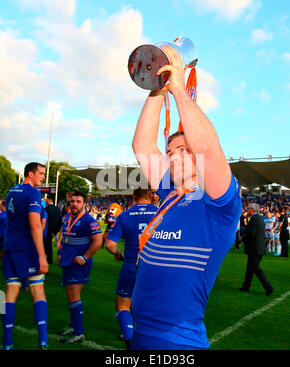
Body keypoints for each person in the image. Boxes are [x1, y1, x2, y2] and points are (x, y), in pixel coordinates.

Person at [130, 45, 242, 350]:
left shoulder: (216, 206)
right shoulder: (171, 194)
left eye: (183, 151)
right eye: (170, 152)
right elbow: (142, 145)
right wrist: (157, 87)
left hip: (178, 342)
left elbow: (207, 148)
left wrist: (178, 89)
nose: (174, 157)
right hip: (141, 335)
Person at [1, 162, 49, 350]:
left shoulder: (12, 190)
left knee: (10, 292)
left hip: (10, 247)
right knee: (38, 290)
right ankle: (43, 341)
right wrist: (42, 255)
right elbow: (35, 225)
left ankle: (7, 342)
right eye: (41, 174)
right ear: (30, 174)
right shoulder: (33, 193)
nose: (43, 177)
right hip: (26, 248)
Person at [105, 188, 158, 349]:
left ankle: (129, 339)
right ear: (150, 196)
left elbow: (109, 244)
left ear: (133, 198)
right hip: (155, 267)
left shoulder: (125, 215)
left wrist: (118, 254)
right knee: (152, 305)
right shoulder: (160, 213)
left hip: (131, 265)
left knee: (122, 305)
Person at [57, 191, 102, 344]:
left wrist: (85, 257)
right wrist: (59, 253)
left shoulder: (89, 220)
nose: (74, 204)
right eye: (73, 201)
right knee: (70, 295)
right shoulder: (67, 217)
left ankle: (79, 333)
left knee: (74, 296)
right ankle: (73, 325)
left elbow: (98, 241)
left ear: (84, 204)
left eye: (78, 201)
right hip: (67, 261)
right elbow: (64, 237)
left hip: (78, 264)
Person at [240, 203, 274, 295]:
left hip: (254, 248)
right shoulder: (259, 218)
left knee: (255, 268)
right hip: (258, 247)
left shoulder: (254, 219)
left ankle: (268, 287)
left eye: (248, 208)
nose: (247, 210)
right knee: (250, 269)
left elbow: (251, 233)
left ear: (252, 210)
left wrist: (242, 238)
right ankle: (245, 286)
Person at [44, 197, 62, 264]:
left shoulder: (46, 209)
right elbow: (59, 220)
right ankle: (49, 259)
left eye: (46, 201)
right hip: (55, 229)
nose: (45, 202)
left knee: (47, 244)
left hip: (47, 229)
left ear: (49, 201)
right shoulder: (58, 209)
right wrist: (56, 231)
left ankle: (48, 259)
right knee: (49, 244)